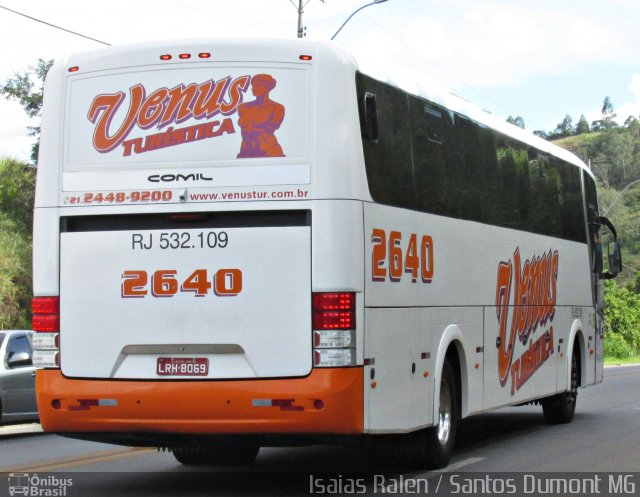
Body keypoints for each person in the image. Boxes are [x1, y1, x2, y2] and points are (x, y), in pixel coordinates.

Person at [237, 74, 285, 158]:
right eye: (252, 86)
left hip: (269, 152)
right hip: (245, 152)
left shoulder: (277, 107)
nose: (253, 88)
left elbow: (272, 127)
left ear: (267, 87)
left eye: (257, 85)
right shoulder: (243, 107)